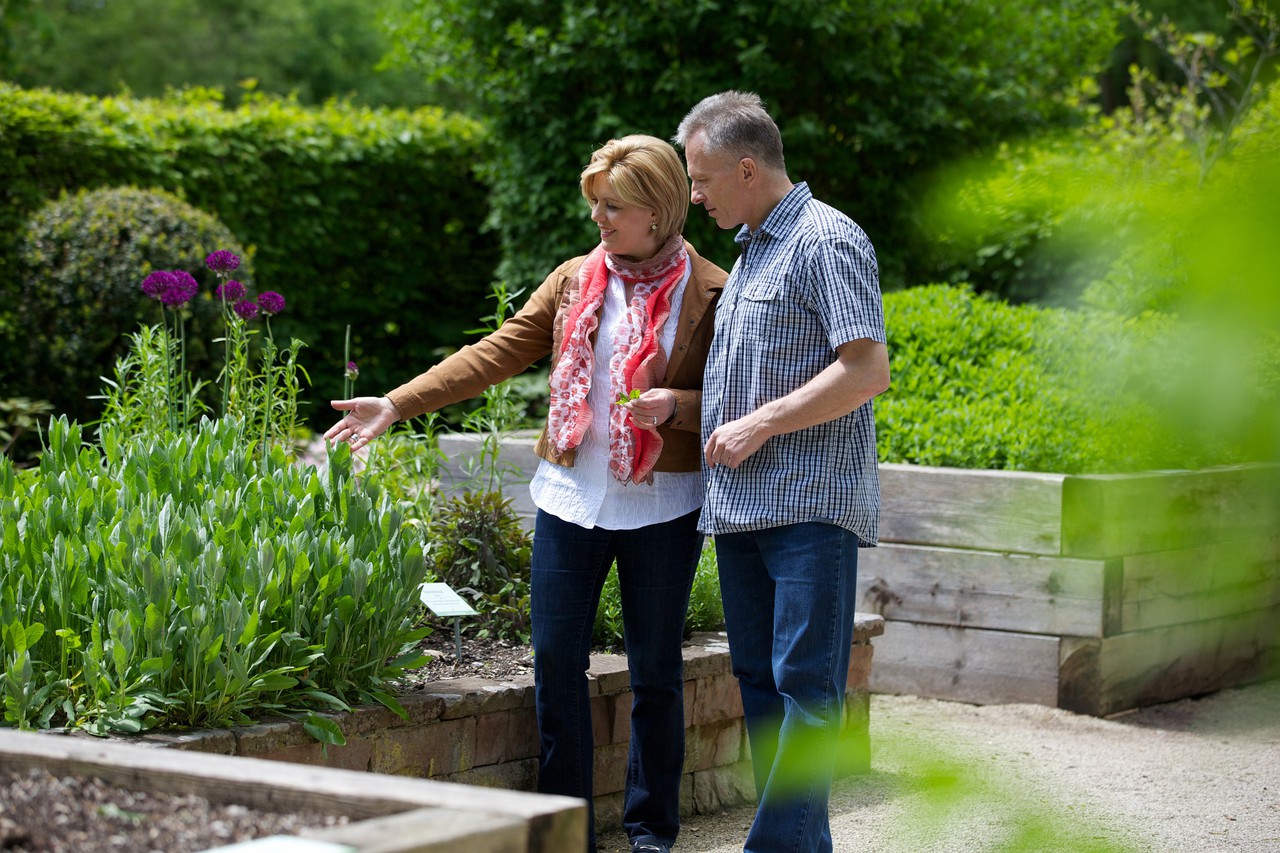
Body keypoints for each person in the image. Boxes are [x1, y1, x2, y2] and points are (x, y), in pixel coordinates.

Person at [324, 135, 726, 853]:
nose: (597, 218)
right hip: (572, 499)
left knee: (657, 673)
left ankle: (650, 832)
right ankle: (567, 832)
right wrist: (396, 402)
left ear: (659, 210)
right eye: (595, 204)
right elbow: (498, 350)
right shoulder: (575, 279)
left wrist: (675, 406)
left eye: (613, 207)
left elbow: (735, 396)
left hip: (664, 504)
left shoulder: (713, 290)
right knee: (555, 667)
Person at [673, 91, 890, 853]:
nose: (695, 195)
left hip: (808, 509)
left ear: (745, 168)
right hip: (741, 510)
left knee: (806, 690)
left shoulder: (826, 239)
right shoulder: (754, 248)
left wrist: (761, 422)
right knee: (762, 687)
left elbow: (866, 370)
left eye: (702, 179)